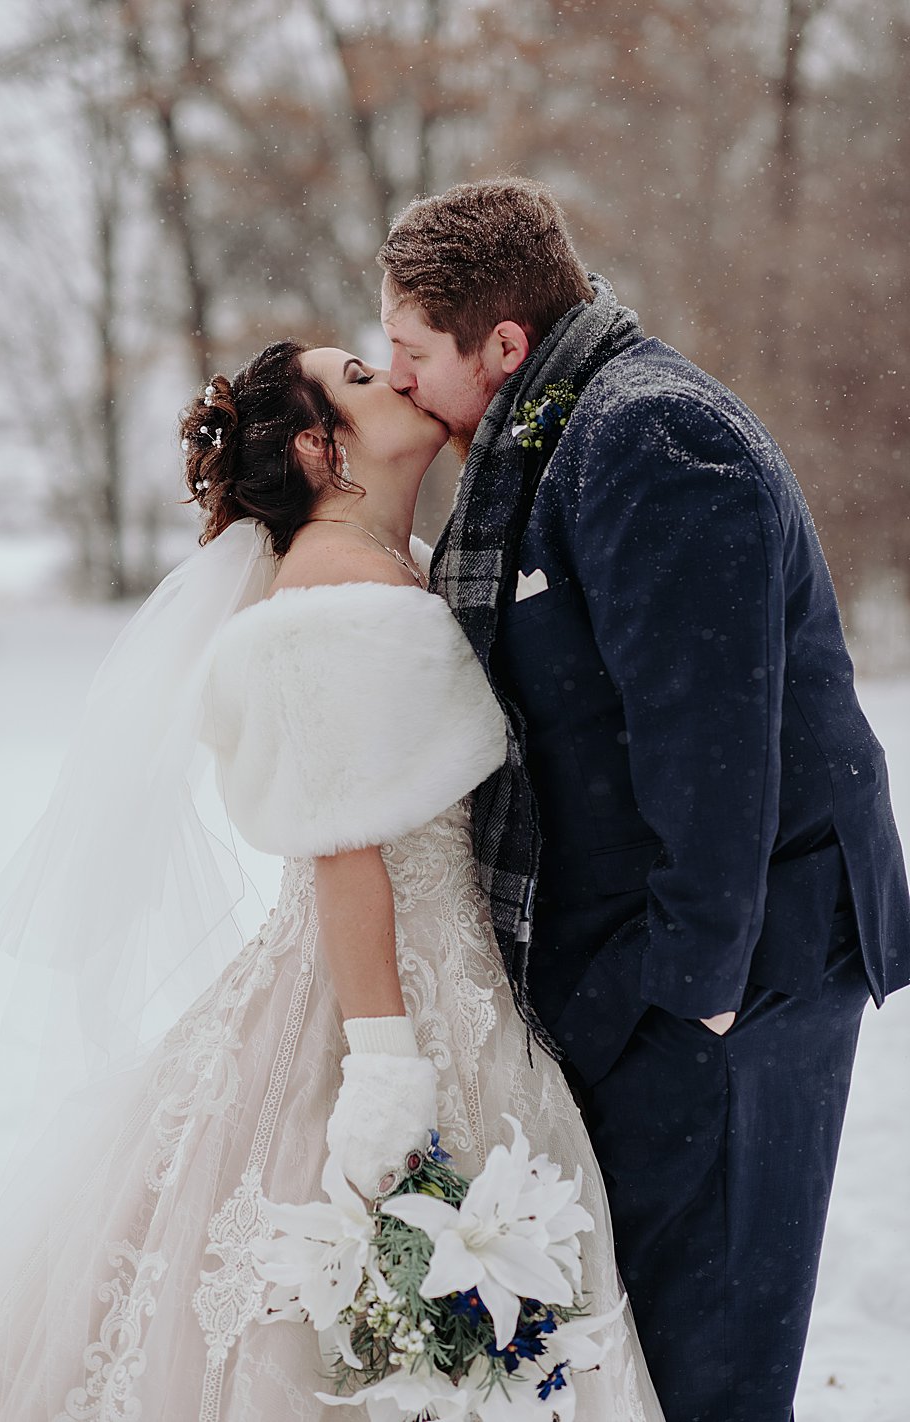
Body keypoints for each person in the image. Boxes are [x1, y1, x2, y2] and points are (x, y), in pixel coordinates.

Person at [0, 342, 665, 1420]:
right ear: (316, 444)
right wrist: (384, 1071)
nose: (393, 376)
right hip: (383, 985)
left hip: (449, 964)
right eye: (356, 372)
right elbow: (346, 851)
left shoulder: (394, 560)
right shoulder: (330, 588)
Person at [379, 176, 910, 1422]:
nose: (395, 378)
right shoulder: (558, 434)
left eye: (409, 353)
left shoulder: (649, 437)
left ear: (502, 345)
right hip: (654, 968)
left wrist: (697, 997)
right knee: (655, 1355)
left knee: (710, 1365)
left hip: (737, 970)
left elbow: (711, 739)